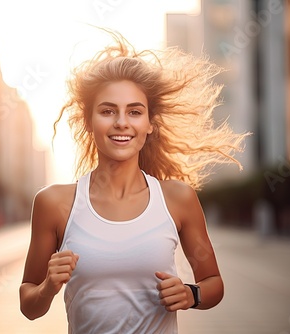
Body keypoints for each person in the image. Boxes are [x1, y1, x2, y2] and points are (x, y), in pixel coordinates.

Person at [19, 31, 247, 333]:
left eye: (135, 112)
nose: (122, 122)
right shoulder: (54, 204)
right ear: (89, 121)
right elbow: (28, 304)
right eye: (107, 110)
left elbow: (213, 283)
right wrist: (48, 286)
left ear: (150, 123)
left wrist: (192, 294)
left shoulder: (177, 199)